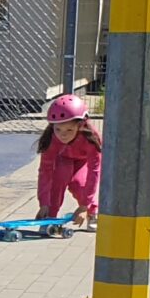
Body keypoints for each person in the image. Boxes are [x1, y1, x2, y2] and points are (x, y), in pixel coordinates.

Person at [37, 93, 102, 230]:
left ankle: (92, 212)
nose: (63, 134)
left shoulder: (91, 138)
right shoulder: (51, 139)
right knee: (58, 179)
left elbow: (94, 172)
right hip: (62, 159)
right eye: (58, 129)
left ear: (80, 125)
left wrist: (84, 206)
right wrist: (44, 203)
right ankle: (50, 217)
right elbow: (45, 172)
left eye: (69, 129)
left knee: (79, 184)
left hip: (83, 161)